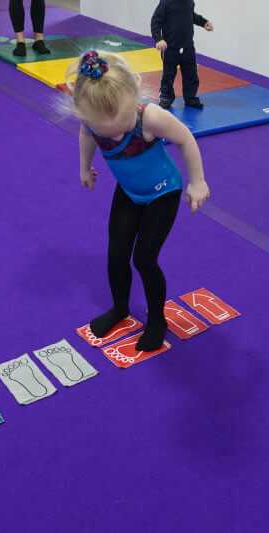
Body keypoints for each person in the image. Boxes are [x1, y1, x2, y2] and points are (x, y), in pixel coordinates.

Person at [66, 51, 210, 351]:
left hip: (162, 193)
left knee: (144, 259)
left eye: (120, 127)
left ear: (134, 95)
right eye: (107, 131)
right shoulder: (92, 118)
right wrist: (83, 166)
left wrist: (198, 182)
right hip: (130, 192)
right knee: (116, 254)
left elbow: (185, 139)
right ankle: (120, 308)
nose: (115, 134)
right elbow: (86, 135)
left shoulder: (150, 117)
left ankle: (158, 319)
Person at [151, 0, 214, 110]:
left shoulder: (189, 2)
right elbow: (156, 21)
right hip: (170, 48)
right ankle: (166, 97)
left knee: (191, 75)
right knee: (168, 75)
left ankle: (190, 98)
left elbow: (191, 15)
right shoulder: (166, 2)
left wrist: (203, 22)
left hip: (188, 47)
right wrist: (159, 39)